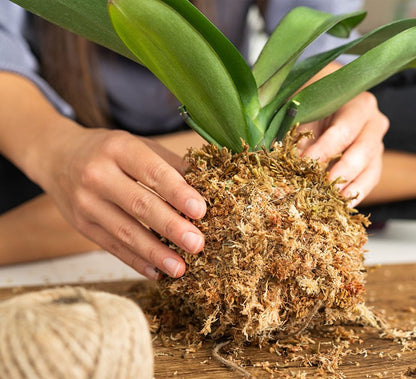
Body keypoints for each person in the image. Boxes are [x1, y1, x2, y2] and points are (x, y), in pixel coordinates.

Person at [0, 0, 390, 277]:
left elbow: (318, 36)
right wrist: (55, 151)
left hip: (224, 123)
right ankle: (218, 175)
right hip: (57, 122)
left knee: (393, 103)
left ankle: (192, 178)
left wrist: (331, 98)